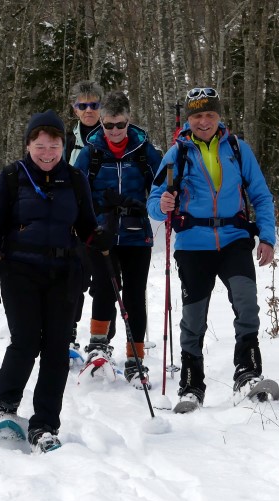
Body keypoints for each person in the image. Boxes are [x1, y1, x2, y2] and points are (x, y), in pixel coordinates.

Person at [0, 109, 109, 451]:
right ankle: (6, 399)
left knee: (56, 348)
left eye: (54, 146)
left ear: (63, 146)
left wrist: (98, 236)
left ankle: (45, 424)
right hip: (19, 271)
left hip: (64, 273)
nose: (47, 153)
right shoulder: (12, 176)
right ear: (28, 145)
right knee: (25, 341)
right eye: (40, 145)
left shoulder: (75, 179)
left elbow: (86, 225)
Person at [147, 86, 276, 411]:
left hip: (234, 239)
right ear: (188, 120)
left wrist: (267, 237)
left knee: (246, 304)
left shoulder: (237, 149)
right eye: (197, 116)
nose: (203, 121)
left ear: (219, 116)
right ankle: (191, 386)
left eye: (209, 114)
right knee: (193, 318)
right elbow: (154, 200)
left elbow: (261, 195)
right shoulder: (176, 154)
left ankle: (247, 373)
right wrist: (161, 205)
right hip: (193, 245)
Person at [74, 91, 162, 389]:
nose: (114, 131)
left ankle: (136, 359)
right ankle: (98, 346)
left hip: (137, 234)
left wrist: (161, 201)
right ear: (101, 122)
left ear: (129, 120)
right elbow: (77, 191)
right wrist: (90, 219)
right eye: (109, 125)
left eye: (120, 124)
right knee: (103, 287)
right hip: (102, 233)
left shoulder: (144, 151)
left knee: (135, 296)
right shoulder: (91, 152)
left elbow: (162, 186)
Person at [64, 80, 104, 360]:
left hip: (102, 220)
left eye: (94, 104)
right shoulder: (67, 140)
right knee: (73, 280)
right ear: (74, 108)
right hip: (72, 221)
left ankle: (101, 341)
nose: (89, 110)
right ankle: (67, 334)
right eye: (83, 105)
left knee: (103, 281)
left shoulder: (112, 134)